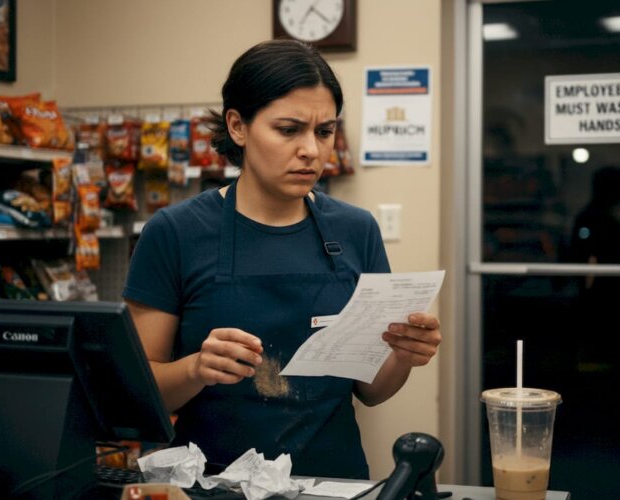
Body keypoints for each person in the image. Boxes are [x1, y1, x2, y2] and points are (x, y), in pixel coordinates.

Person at [123, 39, 442, 480]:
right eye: (288, 130)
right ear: (238, 126)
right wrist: (196, 369)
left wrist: (404, 355)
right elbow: (139, 393)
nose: (311, 149)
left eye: (324, 131)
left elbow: (370, 390)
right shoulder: (175, 232)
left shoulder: (356, 230)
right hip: (213, 484)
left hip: (333, 481)